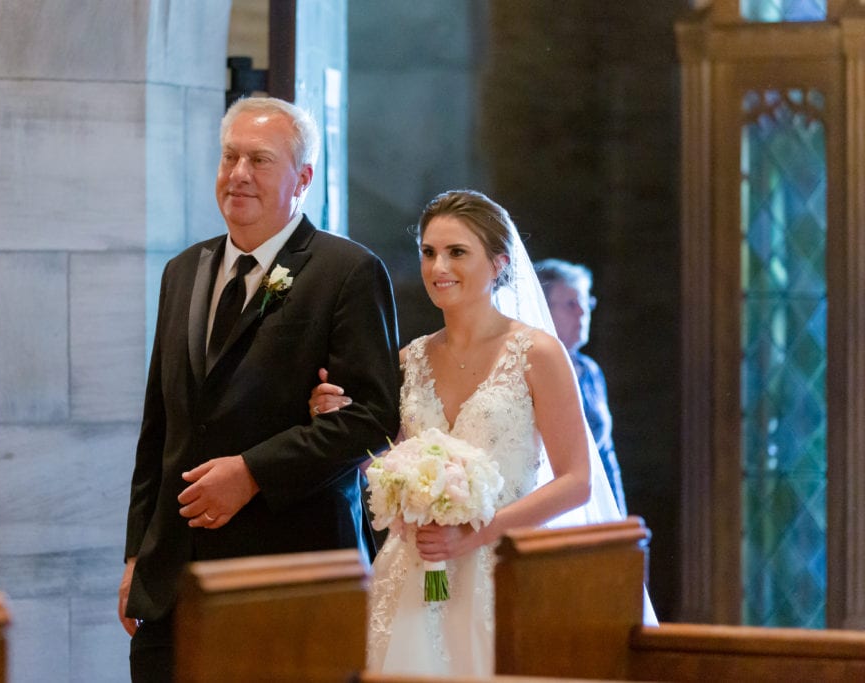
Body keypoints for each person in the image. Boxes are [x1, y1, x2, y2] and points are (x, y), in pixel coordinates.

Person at [310, 189, 655, 677]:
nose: (437, 267)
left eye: (456, 252)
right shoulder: (408, 360)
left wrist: (474, 534)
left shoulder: (538, 355)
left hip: (501, 573)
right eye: (429, 253)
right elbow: (386, 464)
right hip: (413, 574)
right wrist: (335, 418)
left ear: (498, 264)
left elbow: (577, 480)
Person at [119, 96, 401, 682]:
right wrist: (136, 554)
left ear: (303, 178)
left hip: (289, 575)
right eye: (230, 157)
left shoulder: (345, 272)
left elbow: (372, 417)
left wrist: (252, 472)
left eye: (260, 160)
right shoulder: (182, 271)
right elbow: (160, 426)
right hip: (174, 578)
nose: (238, 173)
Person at [534, 258, 627, 516]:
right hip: (550, 508)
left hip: (594, 507)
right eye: (571, 304)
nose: (582, 313)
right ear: (542, 309)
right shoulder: (528, 371)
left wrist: (618, 519)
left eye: (586, 302)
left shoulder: (590, 372)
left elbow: (607, 454)